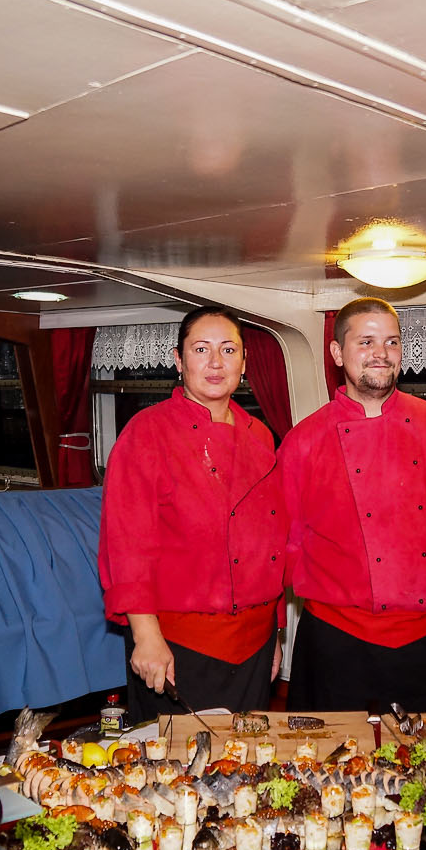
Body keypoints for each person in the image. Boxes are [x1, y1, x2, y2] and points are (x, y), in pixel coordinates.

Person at [279, 297, 426, 712]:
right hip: (339, 638)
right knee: (332, 751)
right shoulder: (304, 441)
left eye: (392, 342)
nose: (381, 353)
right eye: (366, 342)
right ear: (338, 353)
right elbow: (286, 541)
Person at [98, 305, 286, 719]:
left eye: (228, 350)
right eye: (201, 349)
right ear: (179, 361)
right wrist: (146, 635)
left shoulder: (261, 436)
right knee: (178, 758)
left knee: (250, 754)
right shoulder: (147, 432)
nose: (216, 362)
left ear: (244, 363)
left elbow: (269, 541)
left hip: (253, 643)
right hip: (179, 644)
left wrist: (273, 631)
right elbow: (127, 544)